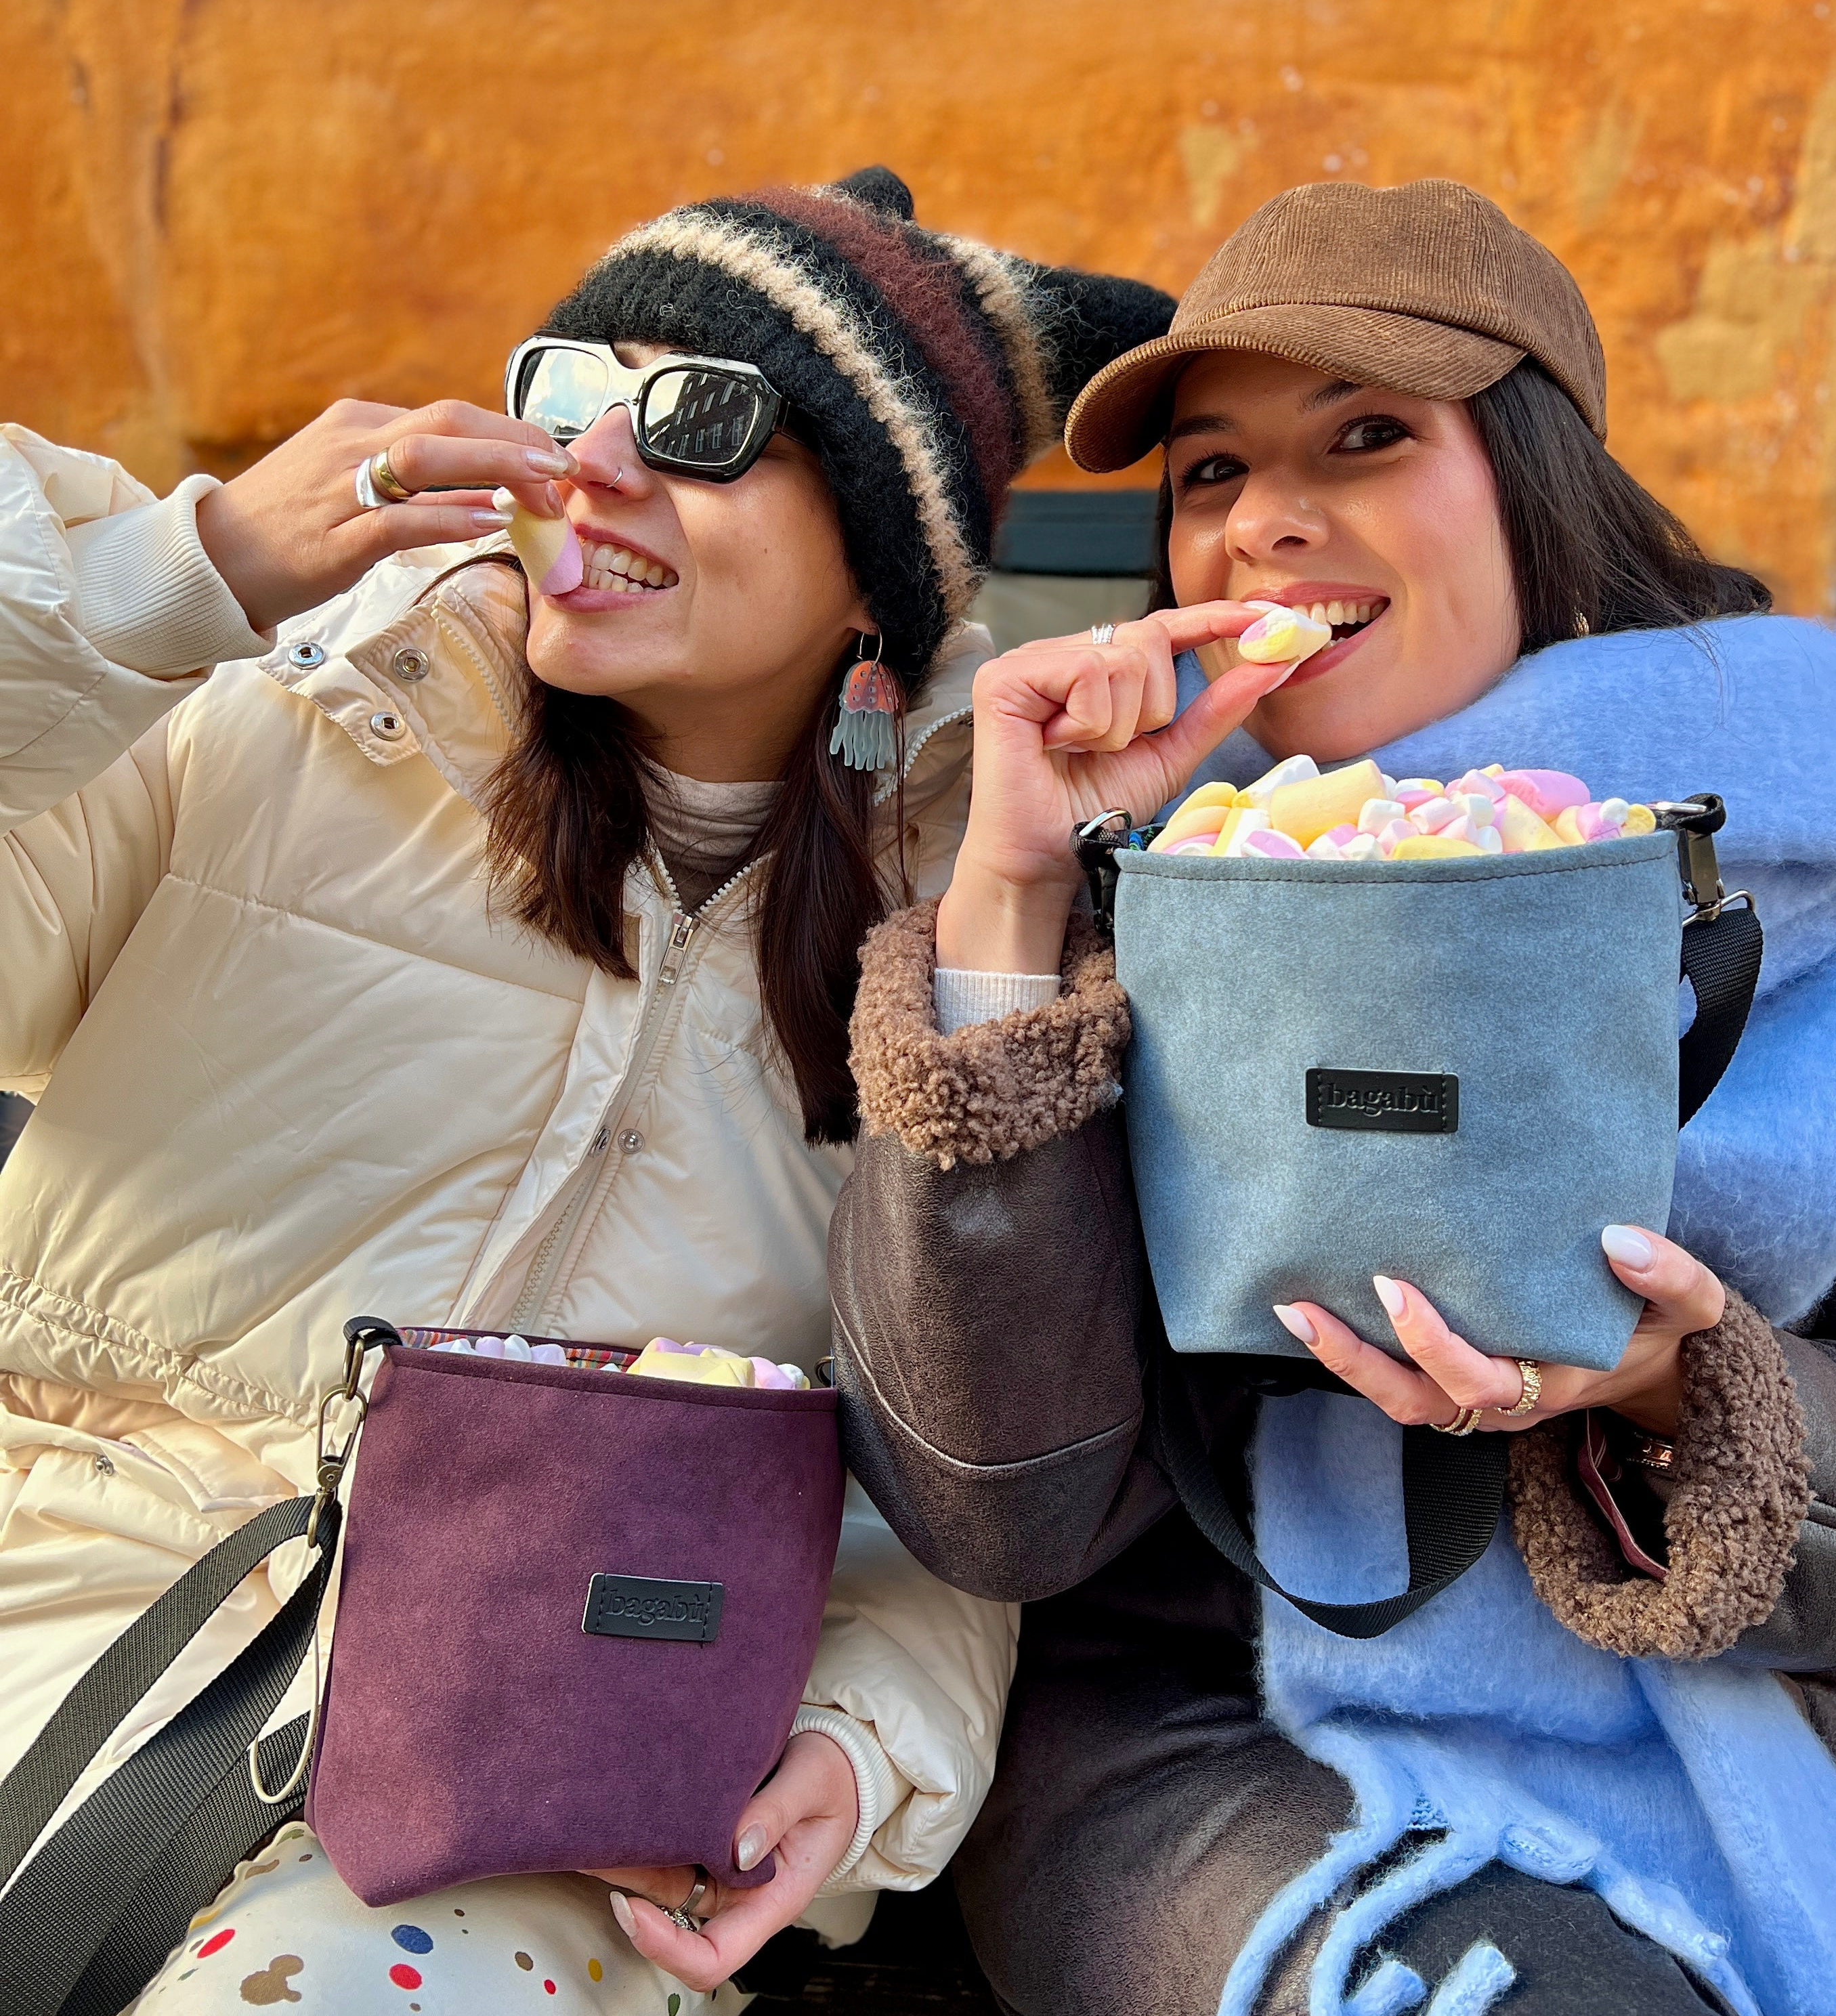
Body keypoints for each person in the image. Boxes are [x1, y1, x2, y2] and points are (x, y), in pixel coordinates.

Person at [828, 179, 1836, 2016]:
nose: (1267, 524)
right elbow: (993, 1511)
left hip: (1729, 1750)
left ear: (1538, 483)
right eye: (1212, 473)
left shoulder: (1832, 888)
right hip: (1212, 1751)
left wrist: (1672, 1389)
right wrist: (1009, 908)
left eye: (1370, 438)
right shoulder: (1115, 875)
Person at [0, 166, 1172, 2010]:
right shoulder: (287, 719)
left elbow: (950, 1467)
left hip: (548, 1778)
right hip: (62, 1610)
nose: (593, 466)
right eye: (566, 396)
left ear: (880, 558)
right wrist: (180, 579)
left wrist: (865, 1755)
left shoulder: (976, 923)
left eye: (702, 420)